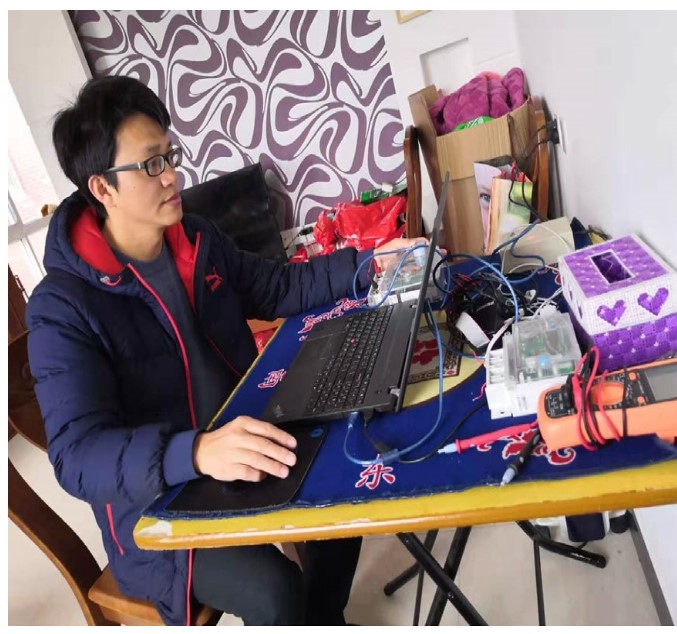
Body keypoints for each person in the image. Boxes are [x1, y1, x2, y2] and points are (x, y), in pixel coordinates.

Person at [27, 75, 427, 625]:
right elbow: (77, 456)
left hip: (241, 430)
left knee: (344, 477)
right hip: (156, 499)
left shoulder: (195, 237)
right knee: (274, 590)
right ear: (102, 188)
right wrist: (195, 452)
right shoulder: (62, 305)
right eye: (151, 165)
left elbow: (279, 287)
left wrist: (370, 265)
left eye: (170, 155)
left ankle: (322, 619)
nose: (172, 176)